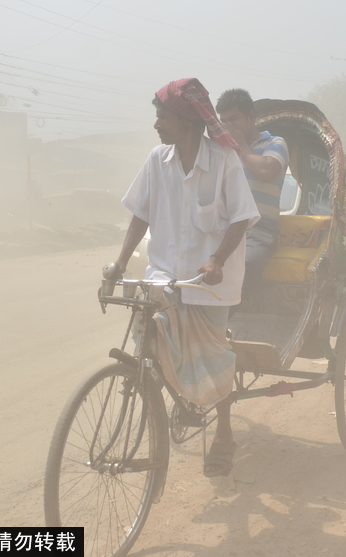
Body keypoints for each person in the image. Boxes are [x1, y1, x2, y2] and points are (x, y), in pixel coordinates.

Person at [111, 78, 260, 478]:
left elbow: (242, 217)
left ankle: (224, 433)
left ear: (189, 121)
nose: (157, 124)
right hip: (163, 276)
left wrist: (216, 259)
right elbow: (140, 213)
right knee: (151, 342)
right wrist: (120, 264)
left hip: (210, 284)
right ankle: (177, 404)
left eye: (163, 116)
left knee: (212, 360)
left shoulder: (224, 160)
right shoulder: (156, 160)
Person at [215, 89, 289, 313]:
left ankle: (226, 322)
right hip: (225, 227)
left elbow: (266, 171)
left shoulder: (275, 143)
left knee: (245, 265)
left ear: (251, 117)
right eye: (224, 121)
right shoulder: (221, 150)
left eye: (234, 119)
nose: (229, 126)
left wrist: (242, 147)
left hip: (259, 230)